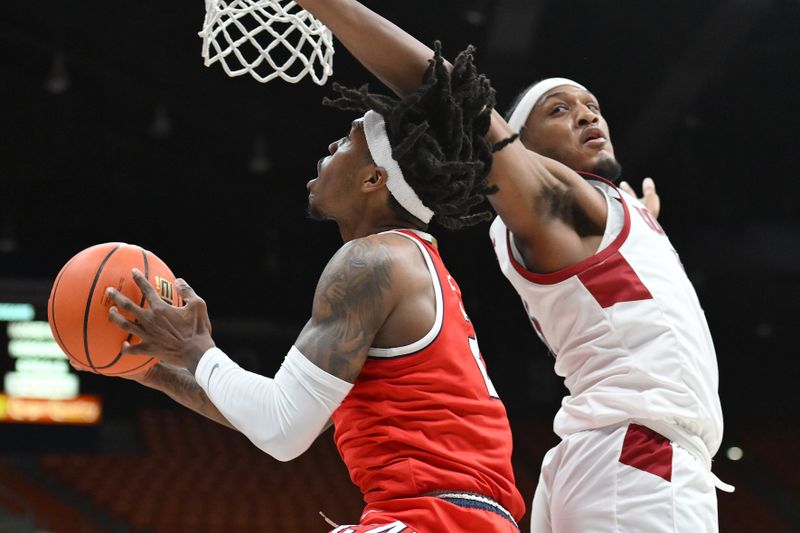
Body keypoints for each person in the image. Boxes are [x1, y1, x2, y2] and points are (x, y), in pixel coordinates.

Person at [288, 1, 732, 531]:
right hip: (640, 458)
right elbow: (451, 97)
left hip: (612, 457)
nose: (586, 114)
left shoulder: (604, 221)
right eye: (558, 111)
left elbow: (623, 297)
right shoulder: (563, 208)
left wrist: (644, 227)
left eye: (589, 104)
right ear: (526, 152)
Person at [100, 44, 525, 532]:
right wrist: (155, 370)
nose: (329, 148)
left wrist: (196, 349)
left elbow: (282, 431)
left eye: (346, 141)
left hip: (431, 517)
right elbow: (277, 414)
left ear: (373, 178)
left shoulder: (372, 260)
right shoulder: (415, 263)